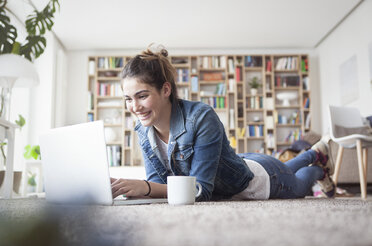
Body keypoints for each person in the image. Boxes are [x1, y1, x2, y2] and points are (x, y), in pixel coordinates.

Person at [111, 44, 335, 201]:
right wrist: (138, 190)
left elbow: (201, 190)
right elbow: (160, 186)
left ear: (166, 90)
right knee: (287, 167)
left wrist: (147, 187)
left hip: (259, 181)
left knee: (300, 184)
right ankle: (316, 152)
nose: (134, 107)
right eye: (128, 99)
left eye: (142, 96)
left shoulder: (200, 117)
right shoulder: (143, 130)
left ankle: (318, 167)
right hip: (241, 162)